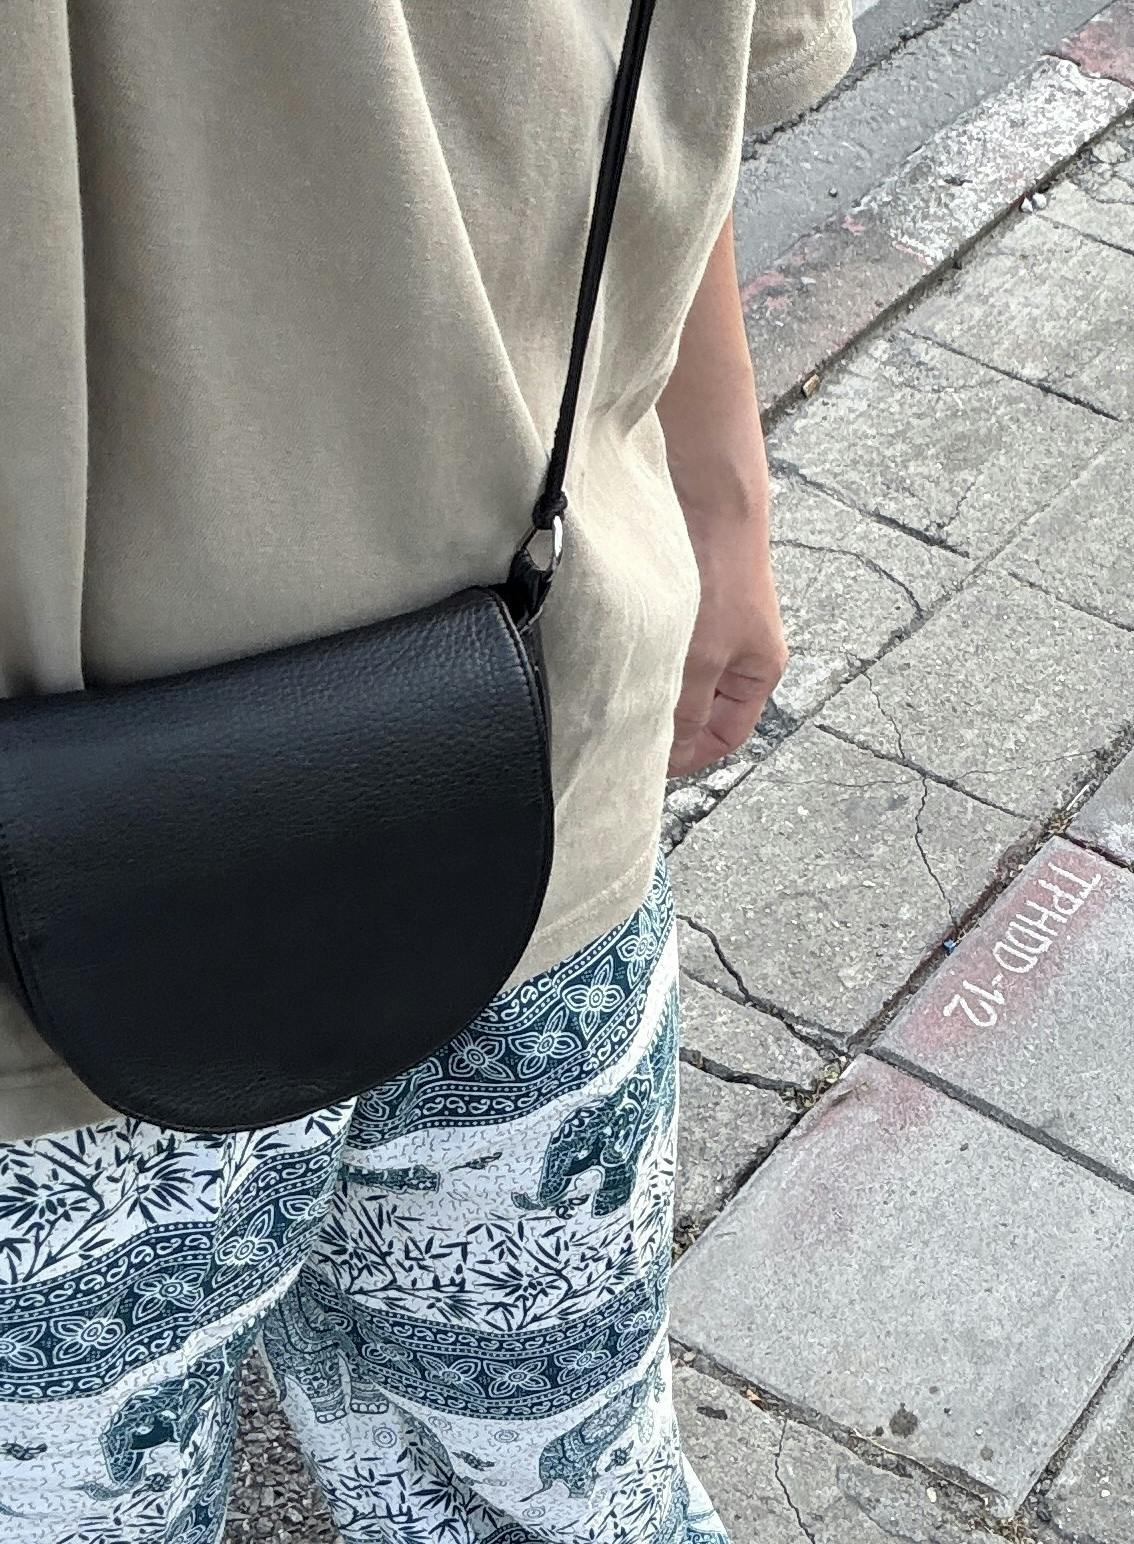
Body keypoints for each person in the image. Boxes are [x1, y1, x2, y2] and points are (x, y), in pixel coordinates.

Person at [0, 3, 851, 1538]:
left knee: (556, 1483)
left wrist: (724, 485)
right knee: (548, 1488)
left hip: (509, 786)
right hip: (520, 714)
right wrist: (718, 487)